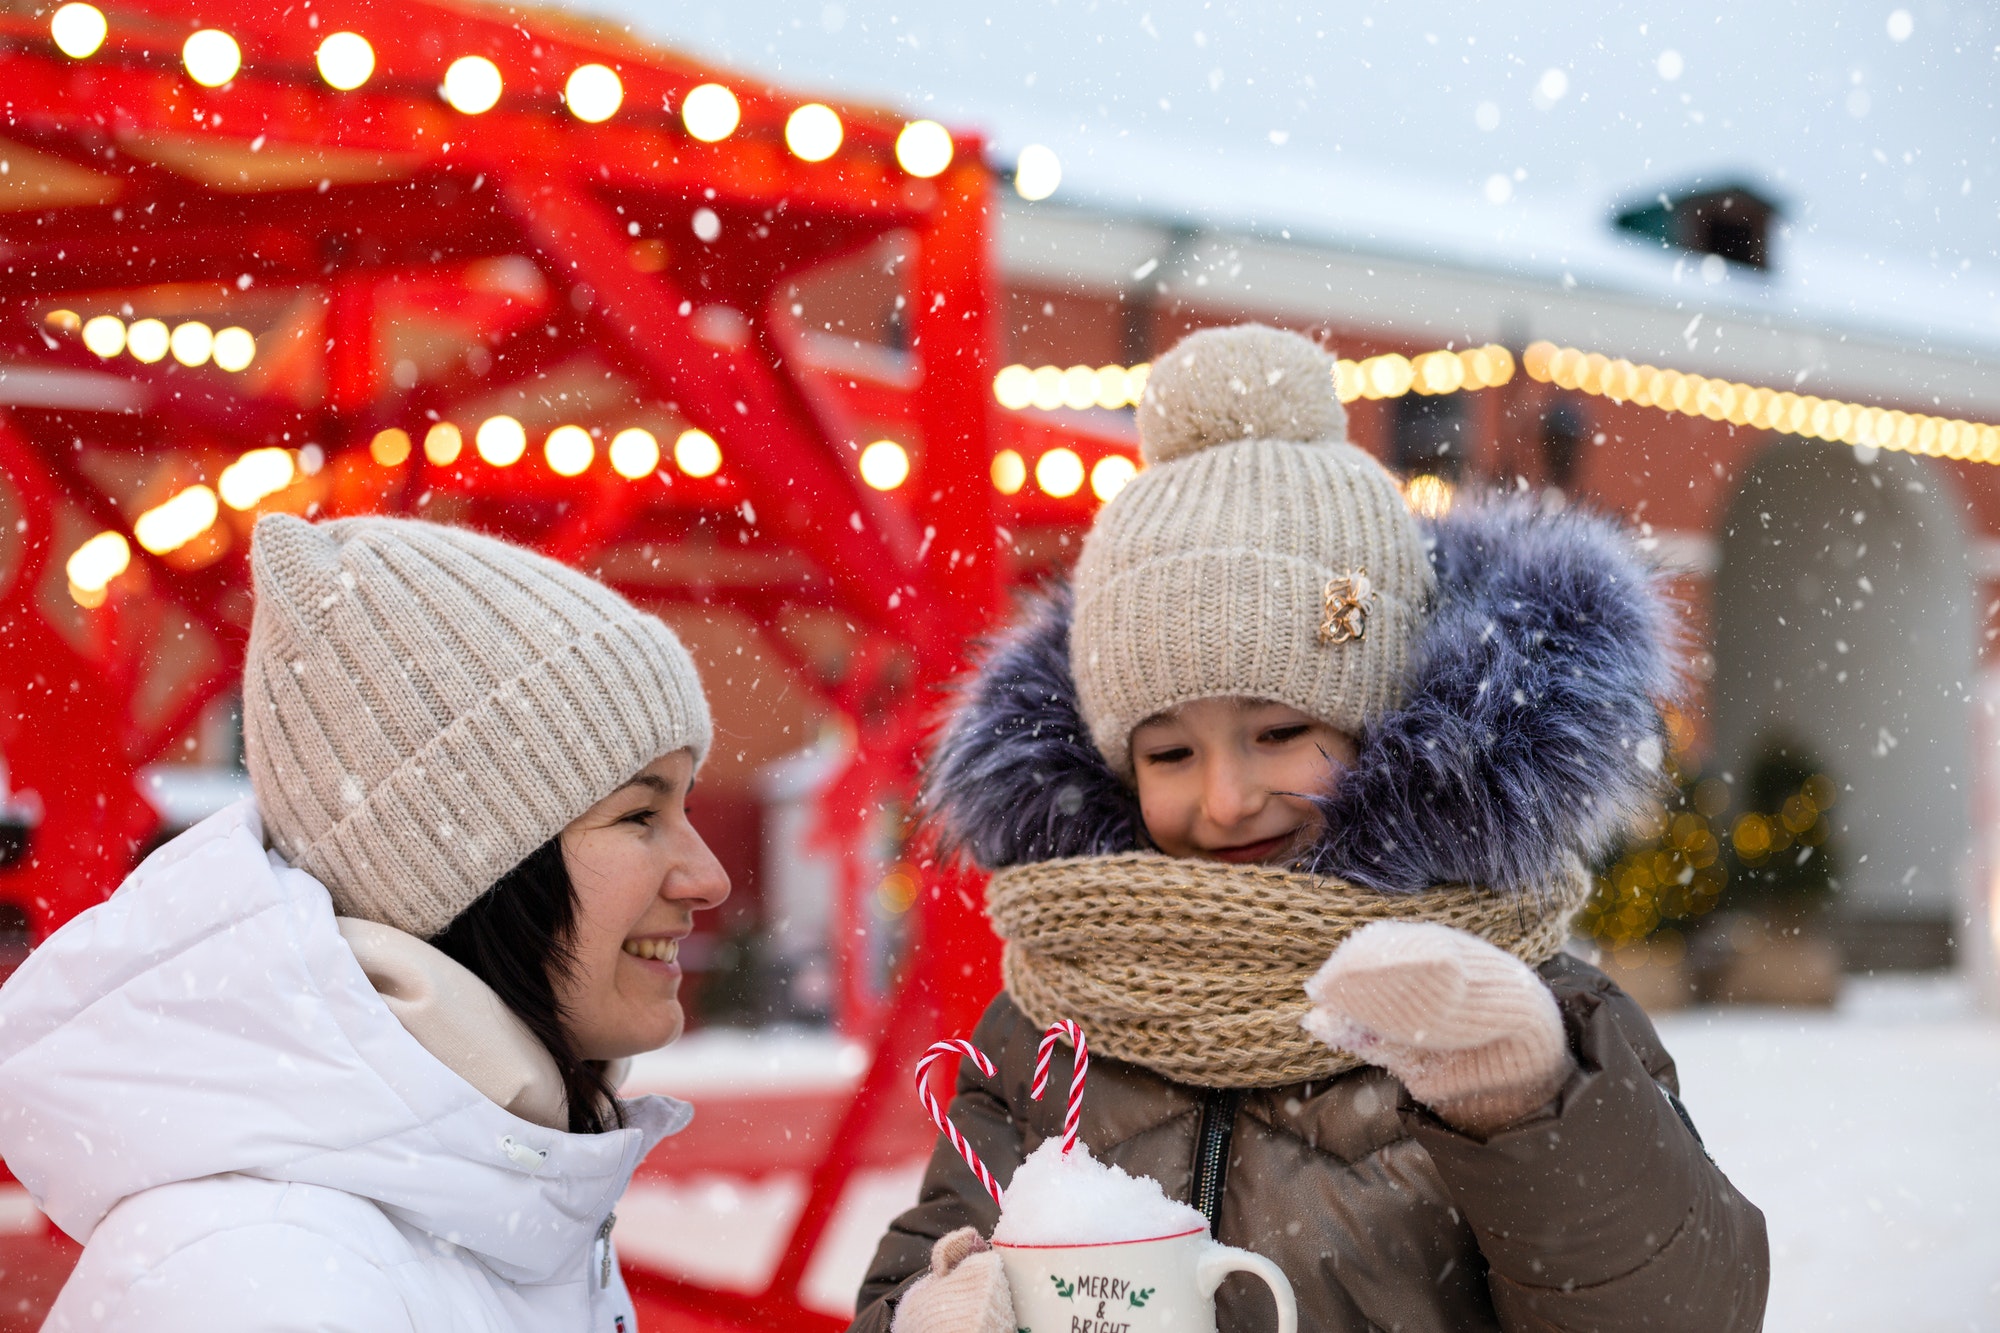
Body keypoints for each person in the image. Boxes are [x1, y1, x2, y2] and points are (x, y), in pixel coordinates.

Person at [854, 325, 1768, 1332]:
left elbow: (1682, 1310)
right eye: (1167, 753)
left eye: (1278, 731)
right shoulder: (1052, 1020)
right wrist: (926, 1314)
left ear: (1383, 722)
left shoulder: (1513, 1004)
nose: (1225, 797)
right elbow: (926, 1256)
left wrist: (1529, 1107)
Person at [0, 514, 729, 1331]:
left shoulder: (482, 1203)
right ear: (468, 863)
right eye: (639, 814)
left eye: (687, 804)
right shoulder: (261, 1283)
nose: (710, 876)